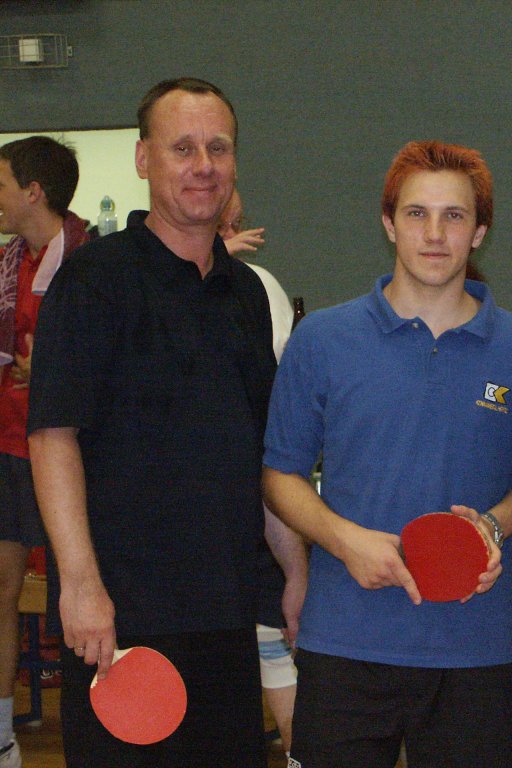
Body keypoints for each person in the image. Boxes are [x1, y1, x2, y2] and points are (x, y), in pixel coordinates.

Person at [262, 140, 512, 768]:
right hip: (345, 642)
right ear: (389, 223)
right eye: (417, 214)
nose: (435, 234)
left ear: (479, 232)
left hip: (474, 652)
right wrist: (344, 541)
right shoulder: (323, 339)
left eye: (455, 216)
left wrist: (493, 527)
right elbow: (280, 474)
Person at [26, 77, 288, 767]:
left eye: (218, 148)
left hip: (225, 619)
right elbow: (52, 438)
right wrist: (80, 584)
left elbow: (262, 456)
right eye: (182, 148)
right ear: (144, 159)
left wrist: (294, 573)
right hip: (119, 621)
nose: (203, 165)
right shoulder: (92, 282)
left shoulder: (245, 295)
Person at [0, 136, 88, 768]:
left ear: (33, 192)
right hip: (7, 448)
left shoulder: (92, 262)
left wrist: (52, 369)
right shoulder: (7, 264)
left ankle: (96, 730)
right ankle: (2, 737)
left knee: (76, 596)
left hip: (69, 458)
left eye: (1, 185)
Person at [218, 190, 305, 756]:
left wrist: (295, 567)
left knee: (276, 647)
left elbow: (276, 449)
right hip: (191, 564)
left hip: (260, 529)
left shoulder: (257, 289)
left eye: (232, 223)